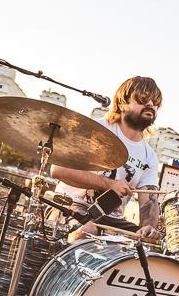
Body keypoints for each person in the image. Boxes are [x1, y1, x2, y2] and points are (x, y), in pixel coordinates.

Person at [50, 76, 163, 242]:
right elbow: (58, 170)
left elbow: (149, 202)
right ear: (122, 104)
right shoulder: (95, 130)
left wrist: (149, 226)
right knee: (86, 231)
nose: (151, 105)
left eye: (155, 102)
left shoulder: (150, 157)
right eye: (143, 99)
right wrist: (109, 184)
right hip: (71, 205)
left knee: (155, 244)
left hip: (112, 219)